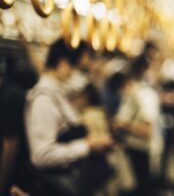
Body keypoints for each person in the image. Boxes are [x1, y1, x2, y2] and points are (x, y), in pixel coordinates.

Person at [25, 38, 113, 196]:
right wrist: (87, 146)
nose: (78, 74)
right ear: (63, 64)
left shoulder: (59, 94)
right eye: (78, 68)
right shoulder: (43, 100)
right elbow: (41, 155)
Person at [113, 52, 162, 196]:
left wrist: (124, 125)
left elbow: (148, 130)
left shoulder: (143, 96)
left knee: (144, 189)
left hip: (143, 153)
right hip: (135, 150)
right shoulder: (132, 95)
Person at [0, 55, 37, 196]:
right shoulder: (10, 92)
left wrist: (1, 185)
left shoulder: (11, 97)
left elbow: (11, 147)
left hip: (17, 176)